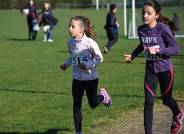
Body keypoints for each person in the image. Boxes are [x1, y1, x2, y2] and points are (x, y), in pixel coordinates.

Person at [124, 0, 183, 134]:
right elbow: (142, 45)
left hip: (165, 70)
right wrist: (132, 56)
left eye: (148, 13)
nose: (145, 15)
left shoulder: (162, 28)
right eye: (143, 12)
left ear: (156, 15)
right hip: (150, 70)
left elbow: (176, 48)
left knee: (166, 100)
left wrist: (159, 50)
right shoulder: (141, 30)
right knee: (148, 102)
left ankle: (178, 113)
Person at [60, 16, 112, 134]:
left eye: (73, 26)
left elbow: (100, 58)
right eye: (69, 26)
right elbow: (73, 57)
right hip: (77, 78)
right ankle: (78, 131)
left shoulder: (90, 43)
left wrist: (88, 64)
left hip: (91, 78)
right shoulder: (70, 42)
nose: (70, 28)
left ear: (81, 29)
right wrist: (66, 64)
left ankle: (103, 96)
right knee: (76, 104)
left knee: (93, 104)